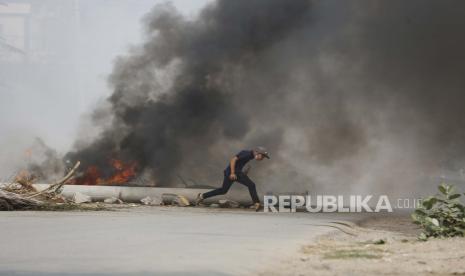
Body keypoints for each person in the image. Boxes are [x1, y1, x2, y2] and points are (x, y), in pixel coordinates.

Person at [196, 146, 270, 211]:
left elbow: (238, 163)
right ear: (257, 152)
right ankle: (256, 203)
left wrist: (243, 173)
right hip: (233, 173)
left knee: (223, 190)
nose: (262, 158)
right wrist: (232, 173)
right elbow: (233, 160)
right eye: (262, 156)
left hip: (233, 173)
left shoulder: (250, 156)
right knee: (252, 185)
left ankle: (202, 196)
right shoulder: (247, 153)